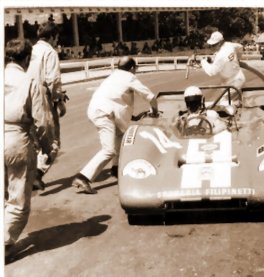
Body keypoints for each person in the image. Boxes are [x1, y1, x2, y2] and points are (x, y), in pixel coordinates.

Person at [71, 56, 159, 194]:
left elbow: (117, 100)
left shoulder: (113, 76)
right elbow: (151, 97)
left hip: (100, 111)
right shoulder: (129, 77)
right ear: (131, 68)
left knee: (120, 136)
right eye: (135, 68)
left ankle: (115, 168)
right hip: (104, 114)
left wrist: (133, 116)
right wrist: (155, 112)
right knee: (109, 150)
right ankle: (83, 177)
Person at [4, 39, 54, 258]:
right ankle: (3, 244)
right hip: (16, 140)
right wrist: (47, 147)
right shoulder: (29, 80)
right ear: (26, 59)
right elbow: (42, 121)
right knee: (18, 201)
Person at [27, 20, 68, 190]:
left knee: (31, 140)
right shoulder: (50, 52)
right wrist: (59, 100)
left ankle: (26, 175)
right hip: (42, 99)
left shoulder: (30, 50)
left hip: (25, 97)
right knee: (52, 142)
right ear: (52, 37)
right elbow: (53, 80)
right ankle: (37, 174)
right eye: (56, 37)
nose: (56, 41)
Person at [199, 31, 245, 101]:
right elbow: (240, 47)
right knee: (233, 102)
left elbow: (211, 72)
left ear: (220, 42)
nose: (212, 47)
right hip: (235, 79)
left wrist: (203, 62)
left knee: (224, 103)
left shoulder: (221, 55)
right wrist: (238, 58)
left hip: (233, 82)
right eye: (211, 45)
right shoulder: (229, 45)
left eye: (214, 45)